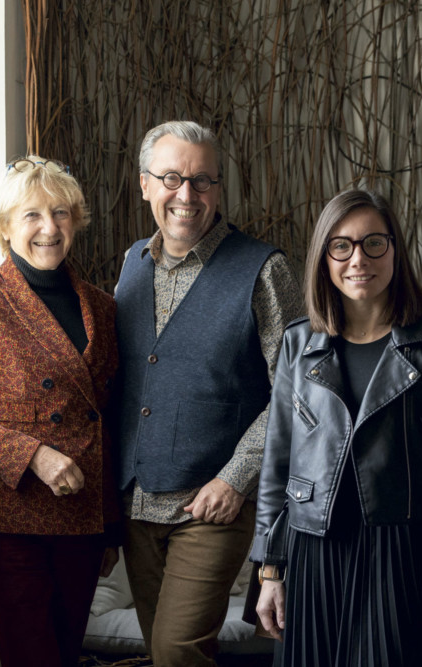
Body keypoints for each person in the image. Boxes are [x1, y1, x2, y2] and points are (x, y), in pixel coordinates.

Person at [251, 189, 422, 666]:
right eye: (342, 246)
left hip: (400, 549)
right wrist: (270, 571)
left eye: (374, 243)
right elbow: (277, 464)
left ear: (394, 249)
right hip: (311, 546)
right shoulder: (299, 342)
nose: (358, 259)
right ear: (324, 257)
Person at [113, 120, 303, 666]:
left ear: (218, 188)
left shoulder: (265, 269)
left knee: (178, 651)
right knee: (162, 652)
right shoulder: (132, 263)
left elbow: (296, 389)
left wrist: (234, 479)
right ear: (145, 185)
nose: (187, 194)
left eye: (202, 180)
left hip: (211, 506)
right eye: (171, 178)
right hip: (137, 503)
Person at [0, 157, 121, 666]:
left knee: (66, 653)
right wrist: (33, 454)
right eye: (32, 215)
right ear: (5, 226)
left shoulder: (102, 307)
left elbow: (108, 420)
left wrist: (110, 526)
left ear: (75, 221)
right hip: (14, 513)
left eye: (60, 213)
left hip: (84, 515)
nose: (49, 228)